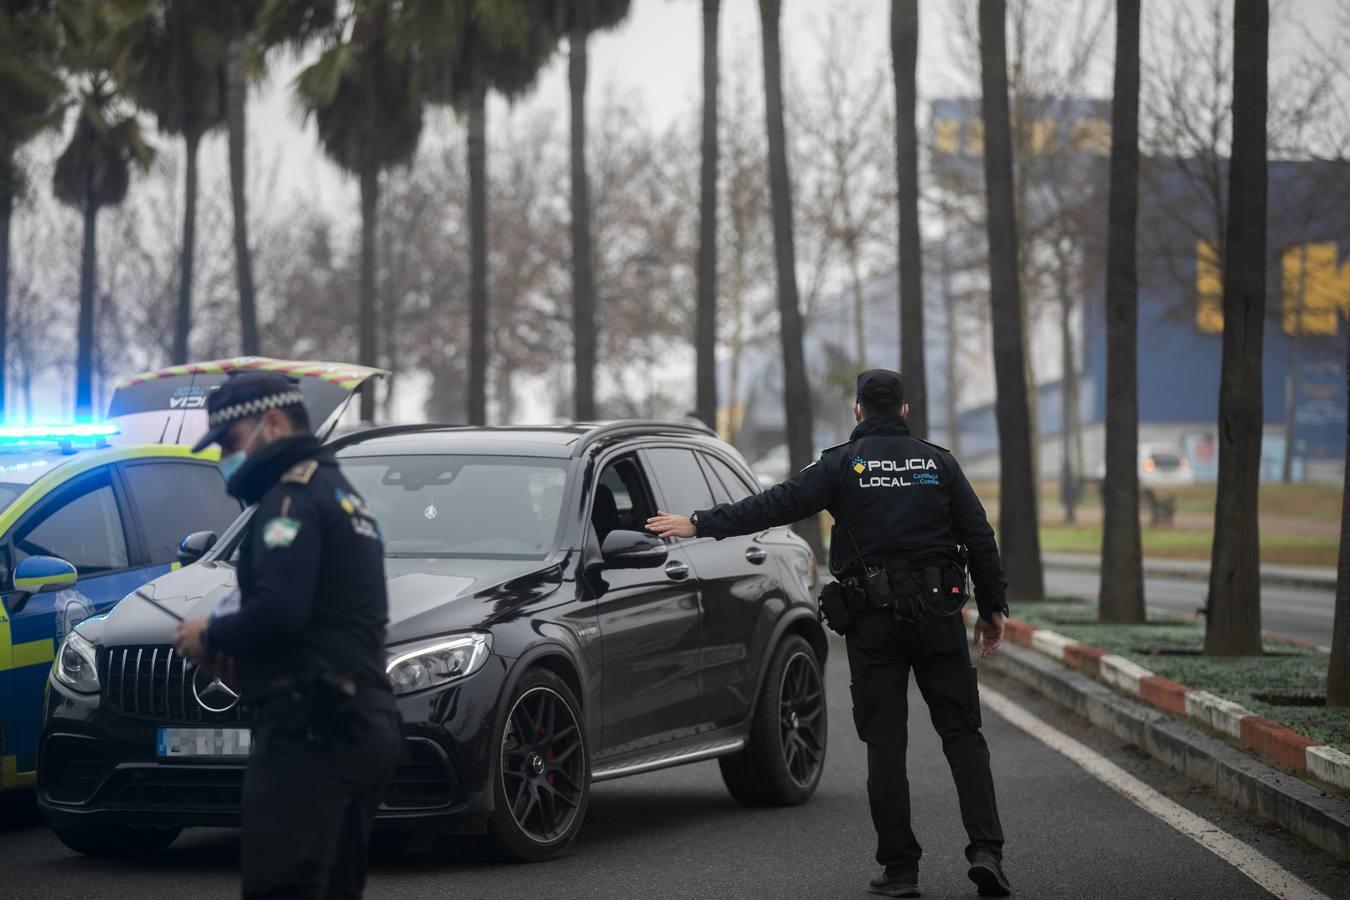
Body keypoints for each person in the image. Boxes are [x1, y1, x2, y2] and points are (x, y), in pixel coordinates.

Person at [647, 369, 1012, 898]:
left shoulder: (842, 463)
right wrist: (993, 607)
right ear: (904, 411)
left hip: (874, 621)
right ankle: (986, 851)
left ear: (859, 410)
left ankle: (901, 869)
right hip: (938, 618)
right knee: (962, 735)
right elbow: (980, 537)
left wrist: (700, 523)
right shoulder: (939, 463)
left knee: (886, 743)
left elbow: (774, 505)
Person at [171, 371, 401, 900]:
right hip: (358, 723)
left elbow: (280, 611)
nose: (225, 458)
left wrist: (209, 635)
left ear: (271, 424)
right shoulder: (340, 492)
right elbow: (321, 624)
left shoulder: (290, 499)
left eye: (230, 441)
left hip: (312, 736)